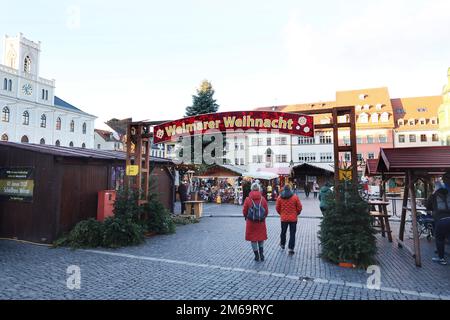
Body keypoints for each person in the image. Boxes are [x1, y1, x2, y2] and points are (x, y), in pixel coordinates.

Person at [426, 171, 450, 265]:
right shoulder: (449, 194)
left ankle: (441, 258)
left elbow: (428, 206)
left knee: (439, 238)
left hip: (441, 219)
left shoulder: (434, 195)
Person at [243, 183, 269, 262]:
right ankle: (261, 254)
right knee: (260, 238)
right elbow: (266, 211)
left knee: (253, 239)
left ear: (251, 189)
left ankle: (256, 255)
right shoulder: (263, 199)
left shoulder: (248, 199)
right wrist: (263, 216)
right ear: (259, 189)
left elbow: (244, 211)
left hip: (251, 222)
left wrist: (246, 216)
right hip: (261, 222)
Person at [276, 184, 303, 255]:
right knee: (292, 233)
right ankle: (291, 248)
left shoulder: (280, 197)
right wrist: (297, 213)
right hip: (293, 219)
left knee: (283, 232)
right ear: (290, 189)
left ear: (284, 189)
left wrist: (281, 214)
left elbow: (277, 208)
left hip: (284, 219)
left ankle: (282, 244)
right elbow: (299, 207)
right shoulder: (295, 197)